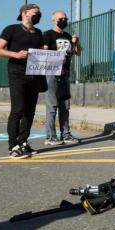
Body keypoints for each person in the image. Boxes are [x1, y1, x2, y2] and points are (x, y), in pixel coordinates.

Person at [0, 4, 46, 159]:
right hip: (17, 73)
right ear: (25, 13)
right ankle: (13, 145)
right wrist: (16, 55)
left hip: (34, 74)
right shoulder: (11, 29)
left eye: (39, 13)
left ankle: (23, 142)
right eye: (36, 13)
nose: (38, 15)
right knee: (18, 109)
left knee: (30, 110)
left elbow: (42, 52)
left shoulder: (38, 33)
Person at [43, 10, 82, 145]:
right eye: (61, 18)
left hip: (65, 74)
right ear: (54, 19)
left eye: (65, 18)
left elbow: (78, 53)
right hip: (52, 74)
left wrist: (75, 42)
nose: (64, 21)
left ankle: (66, 134)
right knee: (52, 105)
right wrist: (57, 60)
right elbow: (44, 53)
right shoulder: (47, 35)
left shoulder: (67, 36)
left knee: (65, 106)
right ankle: (50, 136)